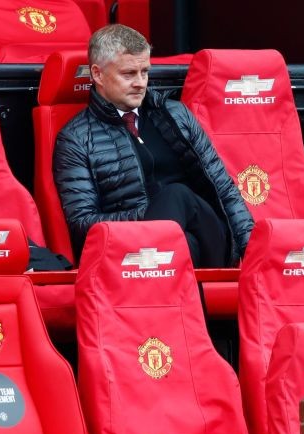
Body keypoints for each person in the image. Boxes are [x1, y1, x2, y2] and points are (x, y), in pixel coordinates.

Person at [53, 24, 253, 267]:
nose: (140, 83)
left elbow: (224, 189)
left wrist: (253, 250)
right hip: (130, 253)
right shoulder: (76, 137)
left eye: (145, 72)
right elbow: (82, 223)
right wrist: (148, 214)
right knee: (184, 240)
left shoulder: (176, 115)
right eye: (128, 74)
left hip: (208, 235)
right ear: (97, 74)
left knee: (179, 195)